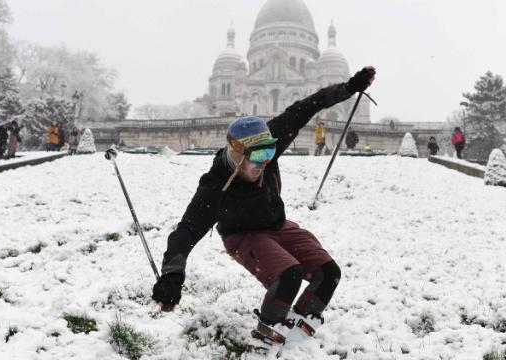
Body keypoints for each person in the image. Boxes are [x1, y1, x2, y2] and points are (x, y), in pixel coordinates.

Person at [152, 66, 376, 346]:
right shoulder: (216, 184)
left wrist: (349, 87)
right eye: (257, 155)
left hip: (277, 225)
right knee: (289, 274)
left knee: (329, 273)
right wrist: (172, 274)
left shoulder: (267, 148)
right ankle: (266, 336)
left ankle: (299, 328)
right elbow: (186, 230)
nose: (264, 162)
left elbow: (307, 106)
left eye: (270, 152)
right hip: (242, 235)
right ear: (236, 153)